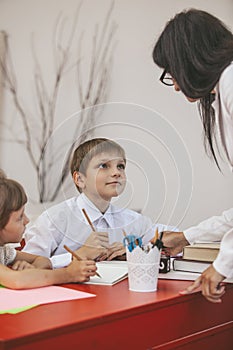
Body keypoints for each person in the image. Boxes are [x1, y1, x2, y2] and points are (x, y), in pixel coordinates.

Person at [152, 8, 233, 303]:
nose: (174, 84)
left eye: (172, 71)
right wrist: (187, 237)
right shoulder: (220, 94)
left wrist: (222, 264)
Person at [23, 138, 176, 268]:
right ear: (80, 179)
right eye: (104, 166)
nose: (117, 172)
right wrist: (77, 256)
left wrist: (136, 249)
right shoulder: (54, 219)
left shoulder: (133, 221)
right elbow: (28, 266)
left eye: (120, 166)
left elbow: (180, 240)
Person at [0, 173, 97, 289]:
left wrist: (32, 269)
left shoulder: (4, 252)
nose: (27, 220)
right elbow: (17, 280)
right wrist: (68, 274)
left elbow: (41, 259)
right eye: (20, 217)